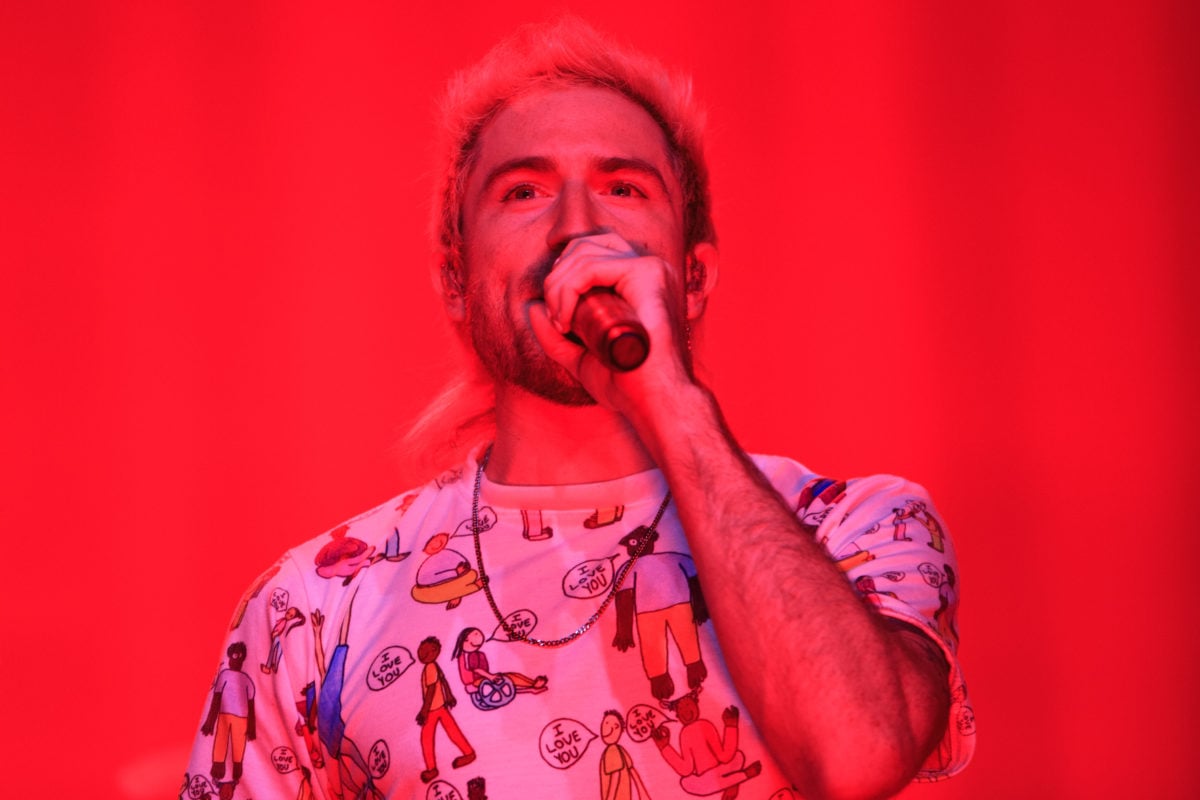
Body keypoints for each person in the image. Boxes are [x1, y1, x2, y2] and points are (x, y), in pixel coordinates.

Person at [184, 17, 974, 799]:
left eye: (622, 188)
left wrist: (667, 398)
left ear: (693, 278)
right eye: (523, 190)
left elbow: (860, 758)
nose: (576, 226)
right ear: (456, 280)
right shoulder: (315, 606)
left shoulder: (859, 529)